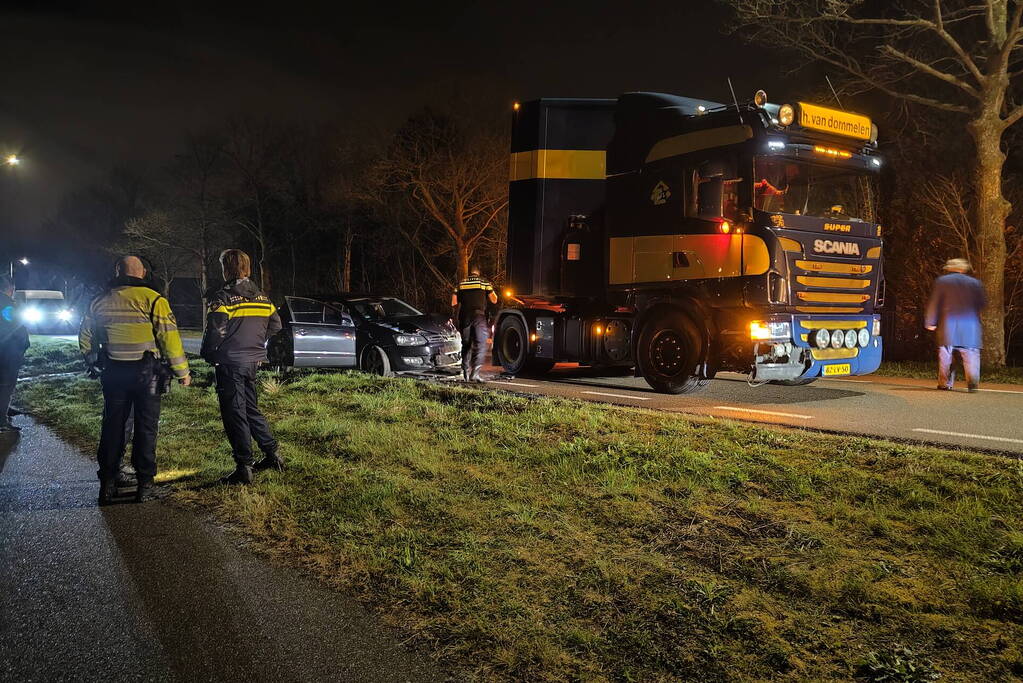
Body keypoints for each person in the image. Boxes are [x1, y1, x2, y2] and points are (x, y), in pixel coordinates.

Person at [79, 256, 190, 505]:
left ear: (118, 272)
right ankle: (145, 486)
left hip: (113, 373)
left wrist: (92, 362)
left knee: (113, 426)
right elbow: (169, 339)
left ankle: (108, 482)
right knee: (146, 428)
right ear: (141, 273)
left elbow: (85, 336)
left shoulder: (98, 300)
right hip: (147, 374)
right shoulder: (154, 300)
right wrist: (182, 372)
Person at [201, 249, 283, 485]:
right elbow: (276, 326)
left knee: (235, 413)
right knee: (250, 408)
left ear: (226, 268)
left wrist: (209, 354)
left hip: (229, 362)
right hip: (252, 362)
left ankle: (243, 466)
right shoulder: (262, 297)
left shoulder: (223, 297)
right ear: (247, 269)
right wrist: (257, 345)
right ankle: (272, 454)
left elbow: (216, 330)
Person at [925, 257, 986, 393]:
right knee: (971, 354)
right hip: (970, 324)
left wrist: (930, 322)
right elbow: (982, 303)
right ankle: (972, 382)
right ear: (964, 269)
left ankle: (945, 383)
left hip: (949, 324)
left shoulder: (942, 282)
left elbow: (935, 303)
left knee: (946, 354)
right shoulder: (975, 283)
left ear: (950, 268)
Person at [451, 266, 498, 382]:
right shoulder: (484, 282)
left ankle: (465, 372)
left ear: (470, 273)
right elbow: (494, 299)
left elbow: (453, 302)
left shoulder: (461, 283)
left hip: (464, 317)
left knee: (466, 345)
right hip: (478, 316)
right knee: (481, 343)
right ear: (478, 273)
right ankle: (475, 373)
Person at [0, 274, 30, 433]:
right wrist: (24, 345)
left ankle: (5, 409)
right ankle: (1, 420)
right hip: (8, 353)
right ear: (10, 289)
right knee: (6, 385)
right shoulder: (10, 305)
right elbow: (18, 329)